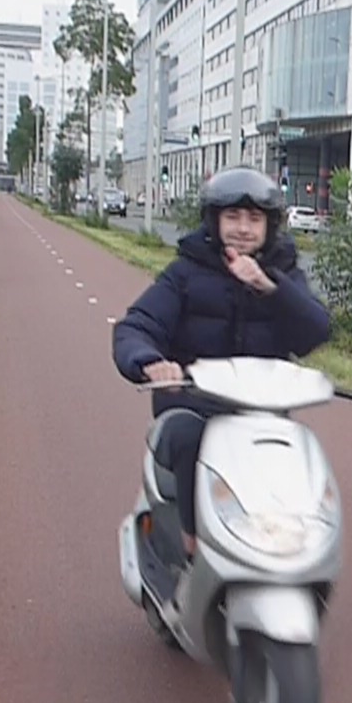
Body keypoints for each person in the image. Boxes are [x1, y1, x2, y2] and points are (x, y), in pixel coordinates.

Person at [112, 167, 332, 560]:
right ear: (215, 222)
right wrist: (151, 363)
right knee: (188, 437)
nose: (244, 228)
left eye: (254, 218)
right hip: (194, 406)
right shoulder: (185, 274)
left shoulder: (284, 274)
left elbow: (316, 331)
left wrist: (270, 288)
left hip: (261, 412)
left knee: (297, 455)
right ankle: (193, 547)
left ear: (269, 225)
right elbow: (136, 326)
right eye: (233, 217)